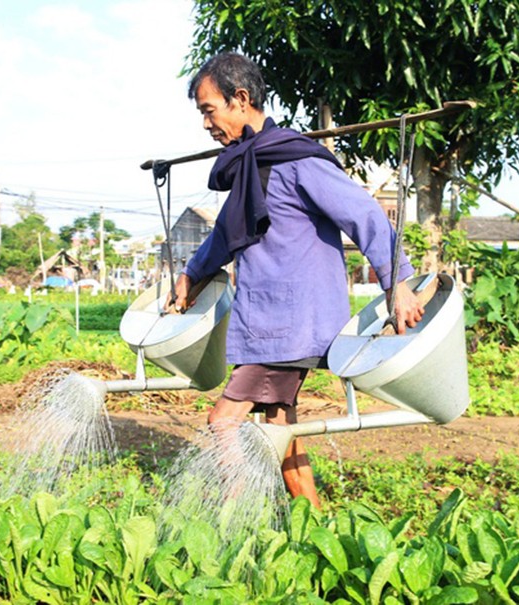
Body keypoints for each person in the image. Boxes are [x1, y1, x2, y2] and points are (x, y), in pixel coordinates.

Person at [169, 52, 425, 508]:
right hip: (269, 323)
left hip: (292, 325)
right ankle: (312, 516)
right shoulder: (252, 165)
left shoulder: (297, 159)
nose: (206, 124)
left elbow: (364, 213)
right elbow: (225, 235)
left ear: (240, 99)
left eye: (209, 110)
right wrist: (191, 274)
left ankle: (237, 516)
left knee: (224, 420)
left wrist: (397, 281)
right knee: (279, 423)